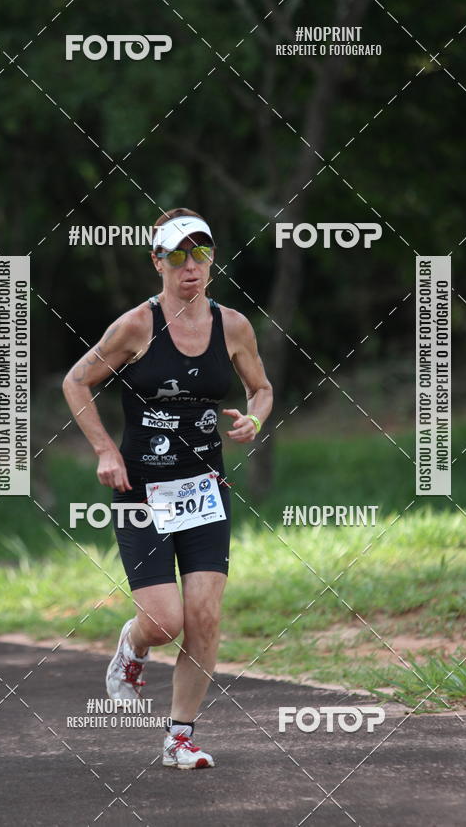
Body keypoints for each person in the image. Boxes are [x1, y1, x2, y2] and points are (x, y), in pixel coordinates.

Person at [62, 207, 273, 769]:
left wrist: (255, 419)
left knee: (203, 616)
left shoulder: (234, 326)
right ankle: (131, 648)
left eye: (200, 253)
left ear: (212, 259)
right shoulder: (136, 325)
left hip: (205, 491)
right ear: (157, 261)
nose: (190, 267)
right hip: (142, 493)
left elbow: (262, 388)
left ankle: (180, 736)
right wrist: (106, 450)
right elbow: (76, 381)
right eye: (177, 255)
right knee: (163, 621)